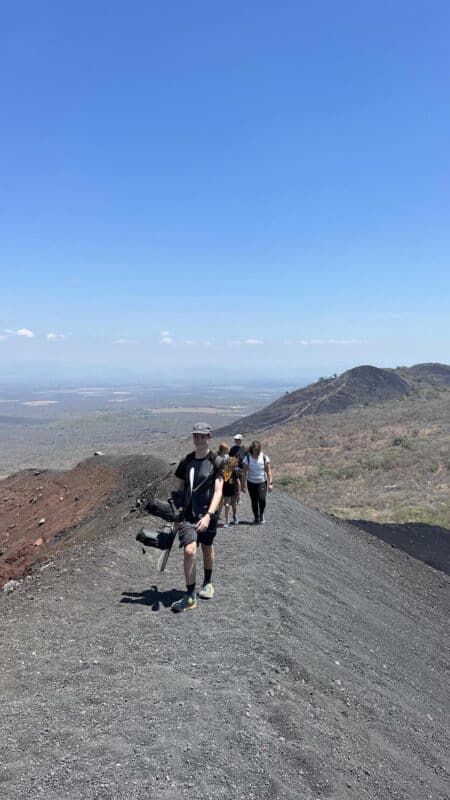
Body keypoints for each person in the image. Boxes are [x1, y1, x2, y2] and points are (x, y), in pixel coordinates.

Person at [171, 422, 224, 613]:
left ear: (209, 437)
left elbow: (218, 491)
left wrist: (209, 515)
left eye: (203, 436)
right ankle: (190, 595)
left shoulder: (217, 462)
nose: (199, 439)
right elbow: (177, 487)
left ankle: (208, 583)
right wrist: (176, 510)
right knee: (190, 551)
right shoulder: (186, 461)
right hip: (189, 515)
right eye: (196, 436)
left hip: (208, 514)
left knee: (207, 548)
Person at [242, 440, 273, 524]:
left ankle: (261, 514)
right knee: (254, 500)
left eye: (257, 450)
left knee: (262, 499)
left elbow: (268, 471)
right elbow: (244, 472)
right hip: (251, 482)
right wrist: (243, 485)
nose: (255, 451)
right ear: (251, 449)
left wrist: (270, 483)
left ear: (259, 449)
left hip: (262, 481)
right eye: (254, 449)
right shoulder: (247, 458)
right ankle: (256, 517)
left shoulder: (264, 457)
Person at [218, 443, 241, 527]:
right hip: (227, 491)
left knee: (232, 505)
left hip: (232, 491)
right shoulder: (225, 472)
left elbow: (237, 481)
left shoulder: (232, 472)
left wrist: (238, 493)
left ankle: (233, 517)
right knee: (228, 505)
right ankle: (227, 521)